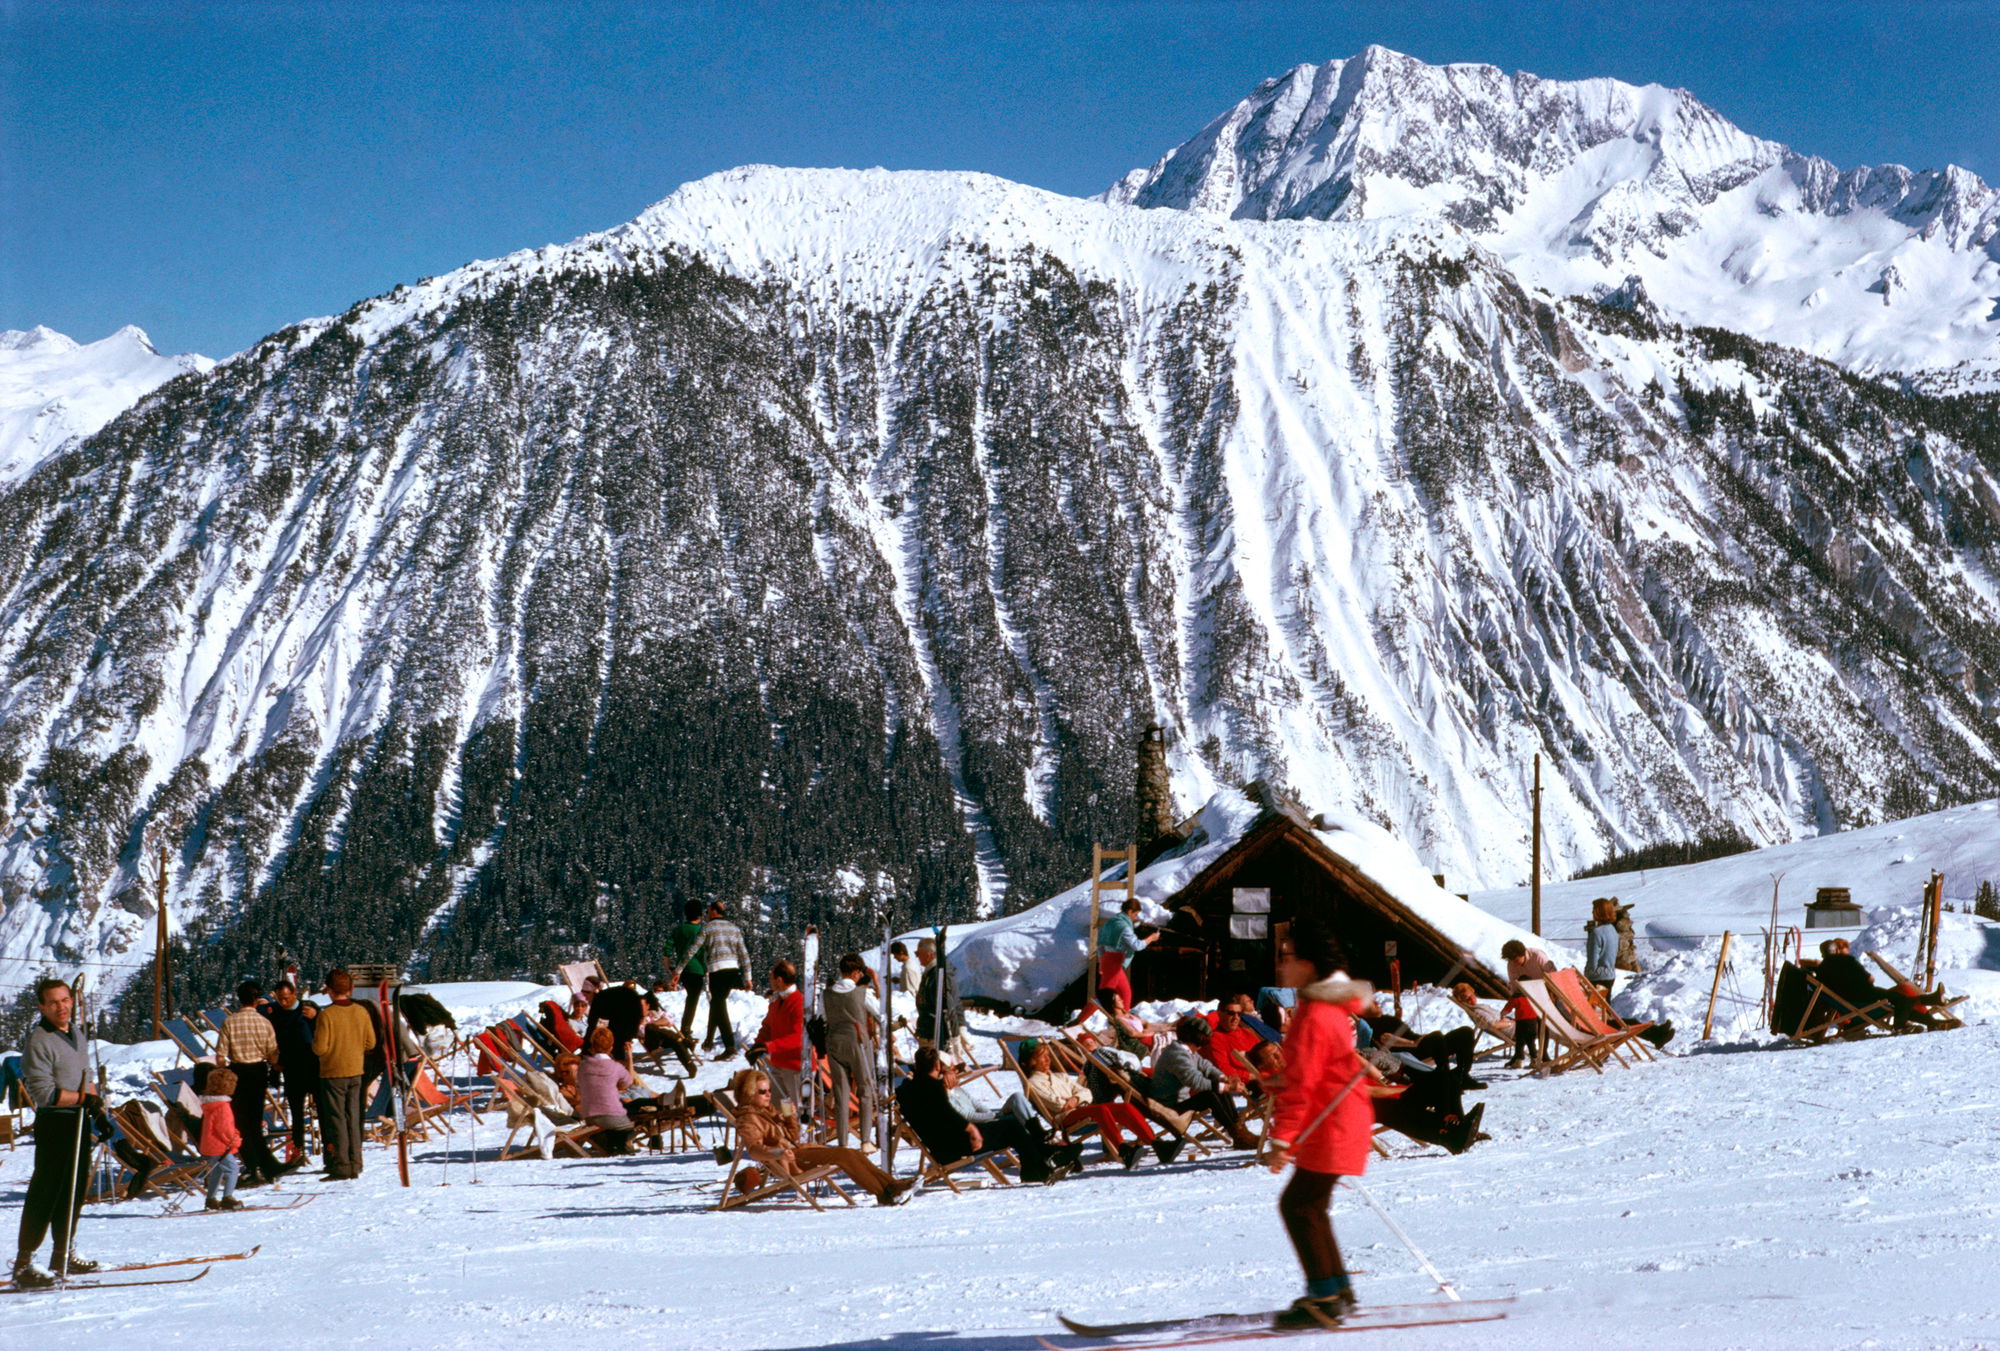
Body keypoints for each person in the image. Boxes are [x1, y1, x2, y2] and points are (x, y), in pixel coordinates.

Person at [1266, 916, 1383, 1330]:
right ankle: (1336, 1288)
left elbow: (1303, 1084)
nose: (1282, 964)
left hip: (1331, 1123)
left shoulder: (1314, 1014)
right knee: (1310, 1205)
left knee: (1299, 1206)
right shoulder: (1326, 1008)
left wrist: (1281, 1140)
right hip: (1339, 1119)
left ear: (1309, 964)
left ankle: (1327, 1298)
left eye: (1288, 956)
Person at [11, 978, 100, 1288]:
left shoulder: (75, 1033)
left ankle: (62, 1255)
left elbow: (85, 1078)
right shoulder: (39, 1041)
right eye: (53, 1003)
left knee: (73, 1192)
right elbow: (44, 1094)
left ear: (72, 1001)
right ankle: (23, 1264)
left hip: (78, 1121)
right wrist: (85, 1099)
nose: (61, 1007)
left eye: (65, 1000)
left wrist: (97, 1107)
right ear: (42, 1007)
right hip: (55, 1123)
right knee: (46, 1192)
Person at [730, 1068, 913, 1205]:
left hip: (796, 1152)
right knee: (844, 1156)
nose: (768, 1095)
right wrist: (779, 1153)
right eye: (762, 1092)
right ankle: (884, 1193)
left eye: (769, 1090)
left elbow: (792, 1136)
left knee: (850, 1153)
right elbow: (754, 1150)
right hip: (789, 1161)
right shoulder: (748, 1119)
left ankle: (890, 1186)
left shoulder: (766, 1112)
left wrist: (789, 1117)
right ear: (749, 1093)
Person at [896, 1047, 1079, 1183]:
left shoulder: (907, 1091)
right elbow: (948, 1114)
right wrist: (971, 1130)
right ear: (937, 1065)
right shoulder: (934, 1089)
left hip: (942, 1147)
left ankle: (1042, 1160)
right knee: (1012, 1125)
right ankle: (1040, 1165)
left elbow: (940, 1112)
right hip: (955, 1147)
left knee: (1011, 1125)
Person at [1018, 1039, 1178, 1168]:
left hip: (1082, 1110)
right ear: (1030, 1061)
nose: (1047, 1060)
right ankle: (1123, 1150)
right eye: (1041, 1057)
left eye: (1047, 1055)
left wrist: (1075, 1099)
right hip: (1065, 1119)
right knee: (1100, 1109)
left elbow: (1086, 1092)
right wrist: (1076, 1098)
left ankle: (1158, 1145)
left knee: (1124, 1107)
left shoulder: (1060, 1077)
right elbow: (1058, 1106)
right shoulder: (1033, 1083)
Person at [215, 979, 287, 1184]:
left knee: (240, 1122)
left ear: (239, 999)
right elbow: (273, 1055)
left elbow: (221, 1056)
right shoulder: (265, 1023)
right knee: (255, 1120)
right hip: (258, 1071)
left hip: (237, 1071)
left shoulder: (229, 1022)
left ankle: (254, 1165)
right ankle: (265, 1165)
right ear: (257, 1000)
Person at [312, 967, 377, 1180]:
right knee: (353, 1117)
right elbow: (371, 1042)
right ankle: (356, 1162)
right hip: (356, 1070)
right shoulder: (361, 1011)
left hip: (332, 1072)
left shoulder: (327, 1015)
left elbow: (320, 1048)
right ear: (351, 988)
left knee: (337, 1119)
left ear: (329, 990)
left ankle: (341, 1164)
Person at [1153, 1016, 1256, 1148]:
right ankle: (1238, 1134)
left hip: (1178, 1100)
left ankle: (1240, 1131)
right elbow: (1195, 1081)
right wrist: (1226, 1087)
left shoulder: (1186, 1050)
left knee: (1218, 1089)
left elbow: (1205, 1066)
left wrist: (1223, 1078)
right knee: (1211, 1095)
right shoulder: (1177, 1055)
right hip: (1168, 1105)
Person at [670, 902, 750, 1058]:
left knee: (719, 1005)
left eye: (707, 911)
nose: (705, 914)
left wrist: (678, 970)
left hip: (717, 971)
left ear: (713, 911)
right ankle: (709, 1040)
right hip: (733, 970)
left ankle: (729, 1046)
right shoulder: (734, 928)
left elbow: (691, 950)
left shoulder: (707, 928)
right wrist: (748, 977)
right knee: (717, 1003)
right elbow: (744, 954)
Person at [1814, 938, 1948, 1030]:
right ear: (1837, 951)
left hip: (1849, 1002)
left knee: (1901, 1001)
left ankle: (1932, 1019)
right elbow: (1868, 979)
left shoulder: (1821, 970)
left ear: (1823, 954)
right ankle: (1902, 1025)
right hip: (1865, 998)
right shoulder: (1847, 961)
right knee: (1902, 999)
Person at [822, 954, 879, 1150]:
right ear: (856, 972)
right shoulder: (862, 993)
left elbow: (822, 1017)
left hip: (834, 1043)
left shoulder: (827, 994)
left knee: (840, 1093)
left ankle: (843, 1143)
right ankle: (865, 1140)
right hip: (857, 1042)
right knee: (864, 1090)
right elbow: (880, 1013)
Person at [263, 982, 320, 1165]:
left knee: (323, 1110)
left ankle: (330, 1148)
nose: (284, 1002)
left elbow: (325, 1026)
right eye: (280, 998)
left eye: (287, 998)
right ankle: (299, 1149)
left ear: (294, 994)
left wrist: (316, 1016)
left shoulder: (309, 1009)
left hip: (312, 1066)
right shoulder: (276, 1013)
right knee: (295, 1112)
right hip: (291, 1068)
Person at [749, 961, 806, 1107]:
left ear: (779, 980)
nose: (770, 982)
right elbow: (768, 1026)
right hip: (778, 1062)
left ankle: (793, 1129)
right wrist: (757, 1045)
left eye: (771, 978)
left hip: (795, 1065)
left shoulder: (799, 1002)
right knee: (779, 1106)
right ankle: (784, 1129)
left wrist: (769, 1047)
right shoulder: (777, 1000)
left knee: (794, 1108)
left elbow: (798, 1037)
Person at [1091, 896, 1158, 1015]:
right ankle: (1080, 1020)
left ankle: (1125, 1018)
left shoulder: (1111, 922)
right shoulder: (1124, 927)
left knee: (1124, 992)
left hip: (1107, 959)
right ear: (1130, 911)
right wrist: (1151, 938)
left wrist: (1101, 962)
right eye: (1135, 914)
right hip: (1115, 961)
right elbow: (1137, 945)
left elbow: (1100, 944)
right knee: (1103, 995)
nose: (1135, 918)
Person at [577, 1026, 638, 1152]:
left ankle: (611, 1141)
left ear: (592, 1047)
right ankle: (618, 1142)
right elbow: (628, 1083)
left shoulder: (583, 1066)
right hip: (610, 1117)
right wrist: (630, 1058)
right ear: (611, 1047)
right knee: (636, 1114)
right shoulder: (615, 1067)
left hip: (588, 1115)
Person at [1499, 939, 1552, 1068]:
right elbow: (1514, 984)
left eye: (1516, 959)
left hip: (1545, 992)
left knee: (1543, 1024)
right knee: (1525, 1030)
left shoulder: (1537, 956)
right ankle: (1519, 1055)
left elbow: (1552, 975)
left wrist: (1550, 995)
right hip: (1526, 997)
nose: (1514, 963)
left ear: (1522, 953)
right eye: (1511, 960)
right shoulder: (1512, 964)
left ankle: (1543, 1054)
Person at [198, 1067, 246, 1211]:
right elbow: (224, 1128)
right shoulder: (223, 1106)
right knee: (233, 1169)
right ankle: (227, 1198)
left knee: (217, 1171)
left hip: (209, 1144)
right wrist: (235, 1140)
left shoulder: (209, 1104)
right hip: (220, 1146)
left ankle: (211, 1199)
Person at [914, 937, 971, 1059]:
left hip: (935, 1035)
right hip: (933, 1032)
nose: (917, 957)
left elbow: (947, 1008)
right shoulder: (936, 973)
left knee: (934, 1072)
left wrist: (953, 1037)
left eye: (918, 953)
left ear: (929, 955)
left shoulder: (937, 976)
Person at [584, 979, 648, 1071]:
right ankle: (620, 1067)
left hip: (627, 1019)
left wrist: (585, 1049)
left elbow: (591, 1026)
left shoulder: (598, 1000)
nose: (585, 999)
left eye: (586, 996)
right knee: (616, 1041)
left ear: (591, 993)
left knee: (614, 1042)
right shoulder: (605, 996)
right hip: (629, 1018)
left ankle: (619, 1070)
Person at [639, 982, 699, 1075]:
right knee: (650, 1028)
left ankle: (689, 1065)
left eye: (642, 1006)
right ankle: (684, 1042)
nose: (639, 1008)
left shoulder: (654, 1014)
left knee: (676, 1041)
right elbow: (641, 1031)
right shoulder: (635, 1019)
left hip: (665, 1040)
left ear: (648, 1006)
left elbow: (669, 1020)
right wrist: (652, 1023)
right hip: (652, 1042)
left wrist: (654, 1022)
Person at [667, 901, 708, 1033]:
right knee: (692, 1000)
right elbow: (704, 952)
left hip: (682, 970)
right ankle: (686, 1028)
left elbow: (667, 949)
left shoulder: (678, 929)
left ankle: (685, 1027)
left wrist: (670, 967)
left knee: (690, 997)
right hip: (698, 969)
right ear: (700, 915)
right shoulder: (702, 931)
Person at [1584, 898, 1620, 993]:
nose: (1592, 912)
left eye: (1594, 909)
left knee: (1594, 1007)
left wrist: (1587, 976)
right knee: (1606, 1006)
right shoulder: (1613, 930)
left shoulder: (1597, 933)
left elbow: (1593, 960)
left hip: (1597, 978)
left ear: (1598, 912)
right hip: (1610, 976)